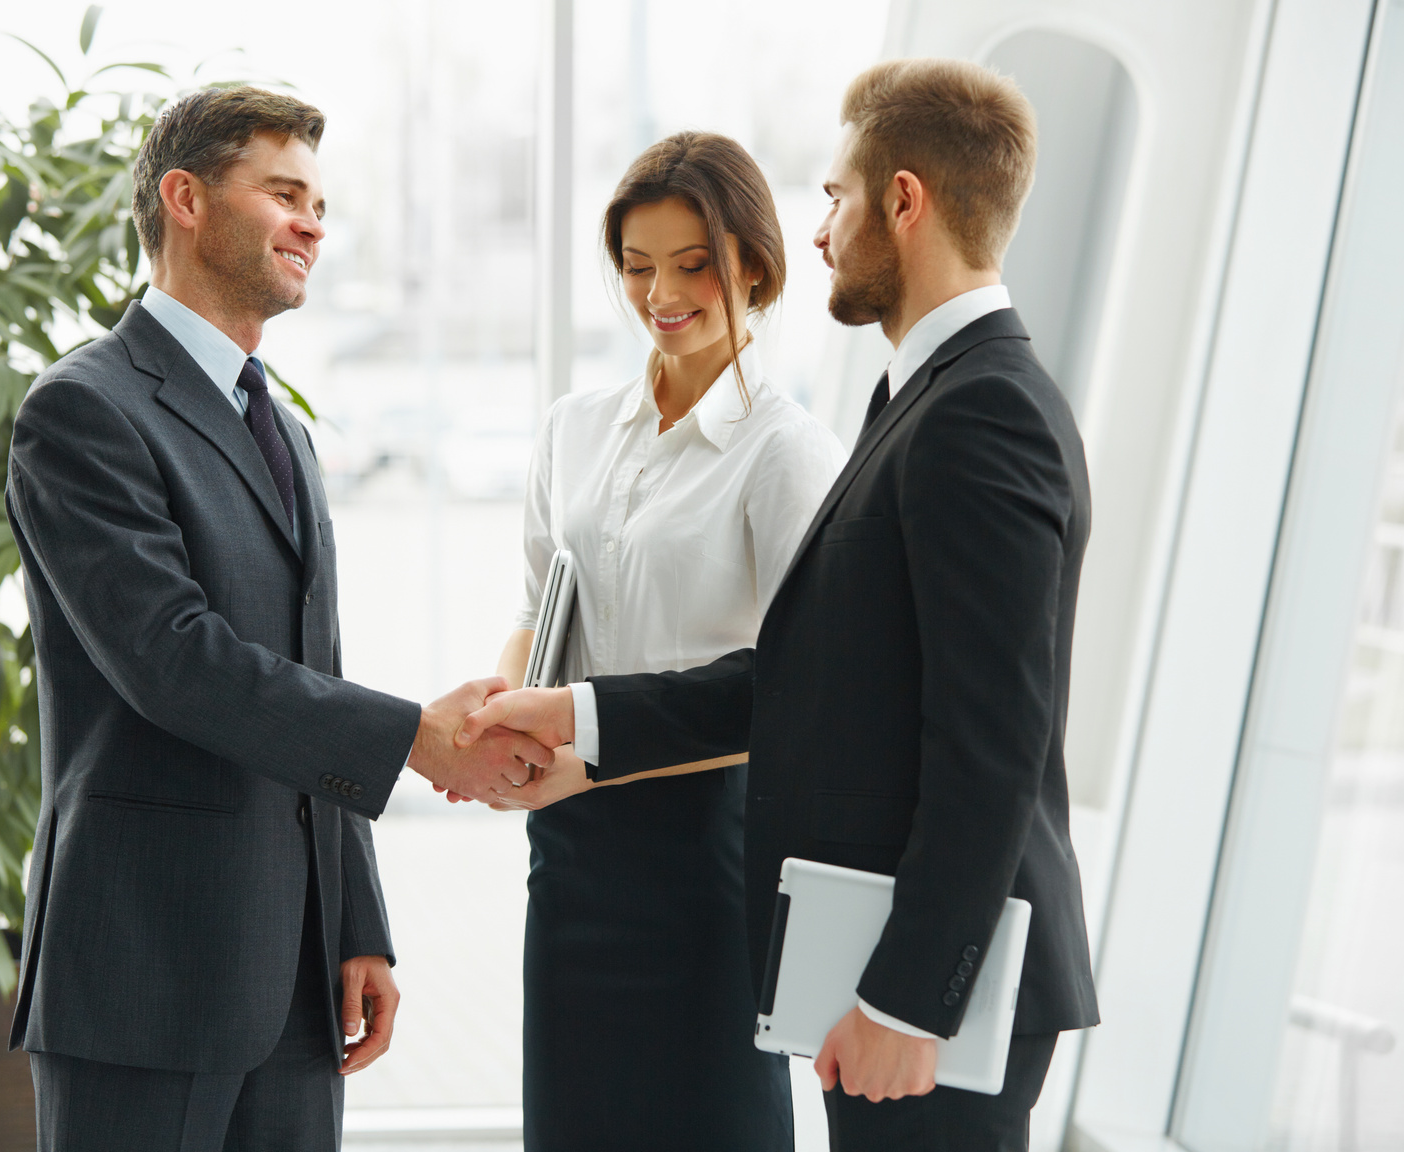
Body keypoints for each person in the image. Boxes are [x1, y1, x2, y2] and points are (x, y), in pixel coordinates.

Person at [461, 58, 1100, 1151]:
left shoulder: (980, 412)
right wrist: (571, 717)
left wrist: (910, 999)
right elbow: (808, 681)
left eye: (837, 197)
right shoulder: (926, 399)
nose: (822, 231)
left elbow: (992, 746)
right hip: (869, 958)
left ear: (903, 201)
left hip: (924, 985)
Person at [4, 86, 550, 1152]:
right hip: (146, 979)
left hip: (296, 981)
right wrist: (415, 737)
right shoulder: (82, 412)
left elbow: (314, 668)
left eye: (321, 202)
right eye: (285, 193)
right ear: (186, 199)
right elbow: (173, 659)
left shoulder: (282, 431)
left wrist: (358, 924)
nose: (314, 223)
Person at [488, 132, 845, 1152]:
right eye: (638, 267)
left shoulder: (786, 452)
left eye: (692, 264)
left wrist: (577, 760)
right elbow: (533, 609)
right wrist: (508, 724)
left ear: (755, 268)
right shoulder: (574, 427)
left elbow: (794, 693)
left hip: (705, 855)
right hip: (570, 853)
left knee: (710, 1124)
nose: (661, 293)